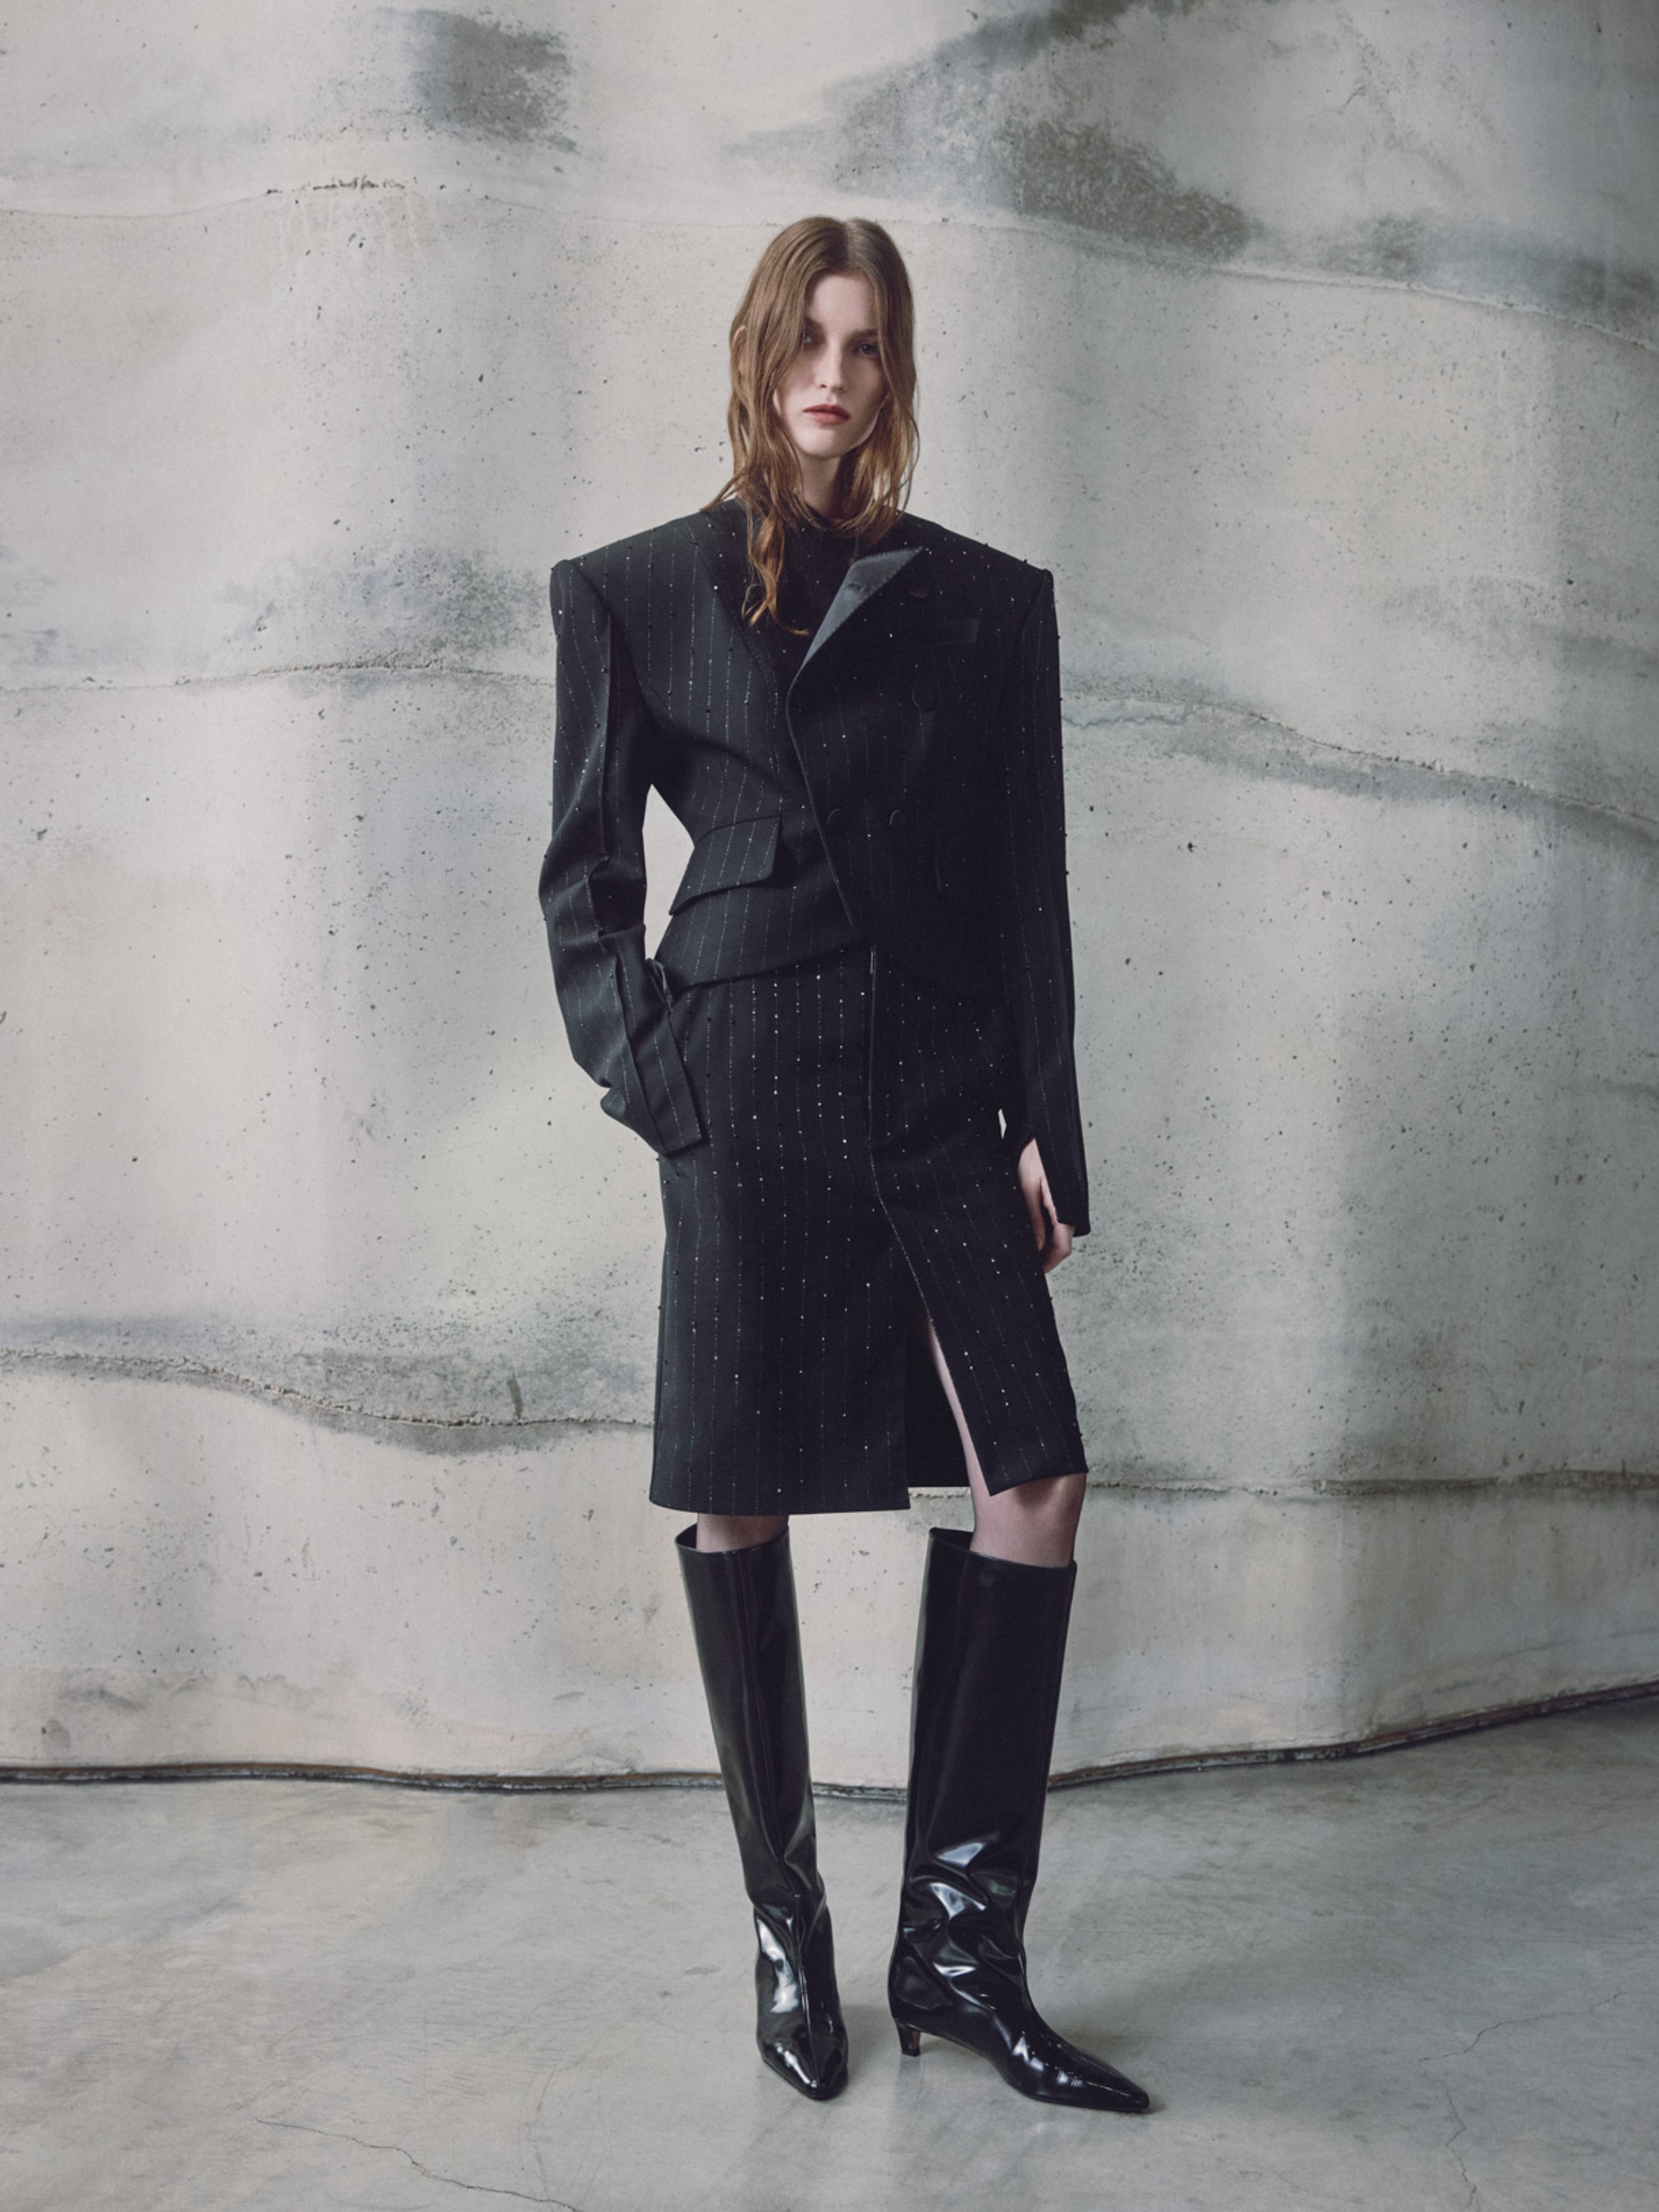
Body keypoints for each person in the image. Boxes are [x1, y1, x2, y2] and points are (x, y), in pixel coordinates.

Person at [538, 217, 1149, 2115]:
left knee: (1030, 1476)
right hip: (741, 1082)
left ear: (895, 371)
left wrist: (1043, 1123)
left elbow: (1028, 885)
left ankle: (959, 1949)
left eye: (867, 343)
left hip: (933, 1083)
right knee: (741, 1497)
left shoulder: (985, 603)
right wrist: (659, 1085)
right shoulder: (634, 589)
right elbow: (585, 883)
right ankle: (789, 1932)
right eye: (807, 338)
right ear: (760, 352)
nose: (834, 372)